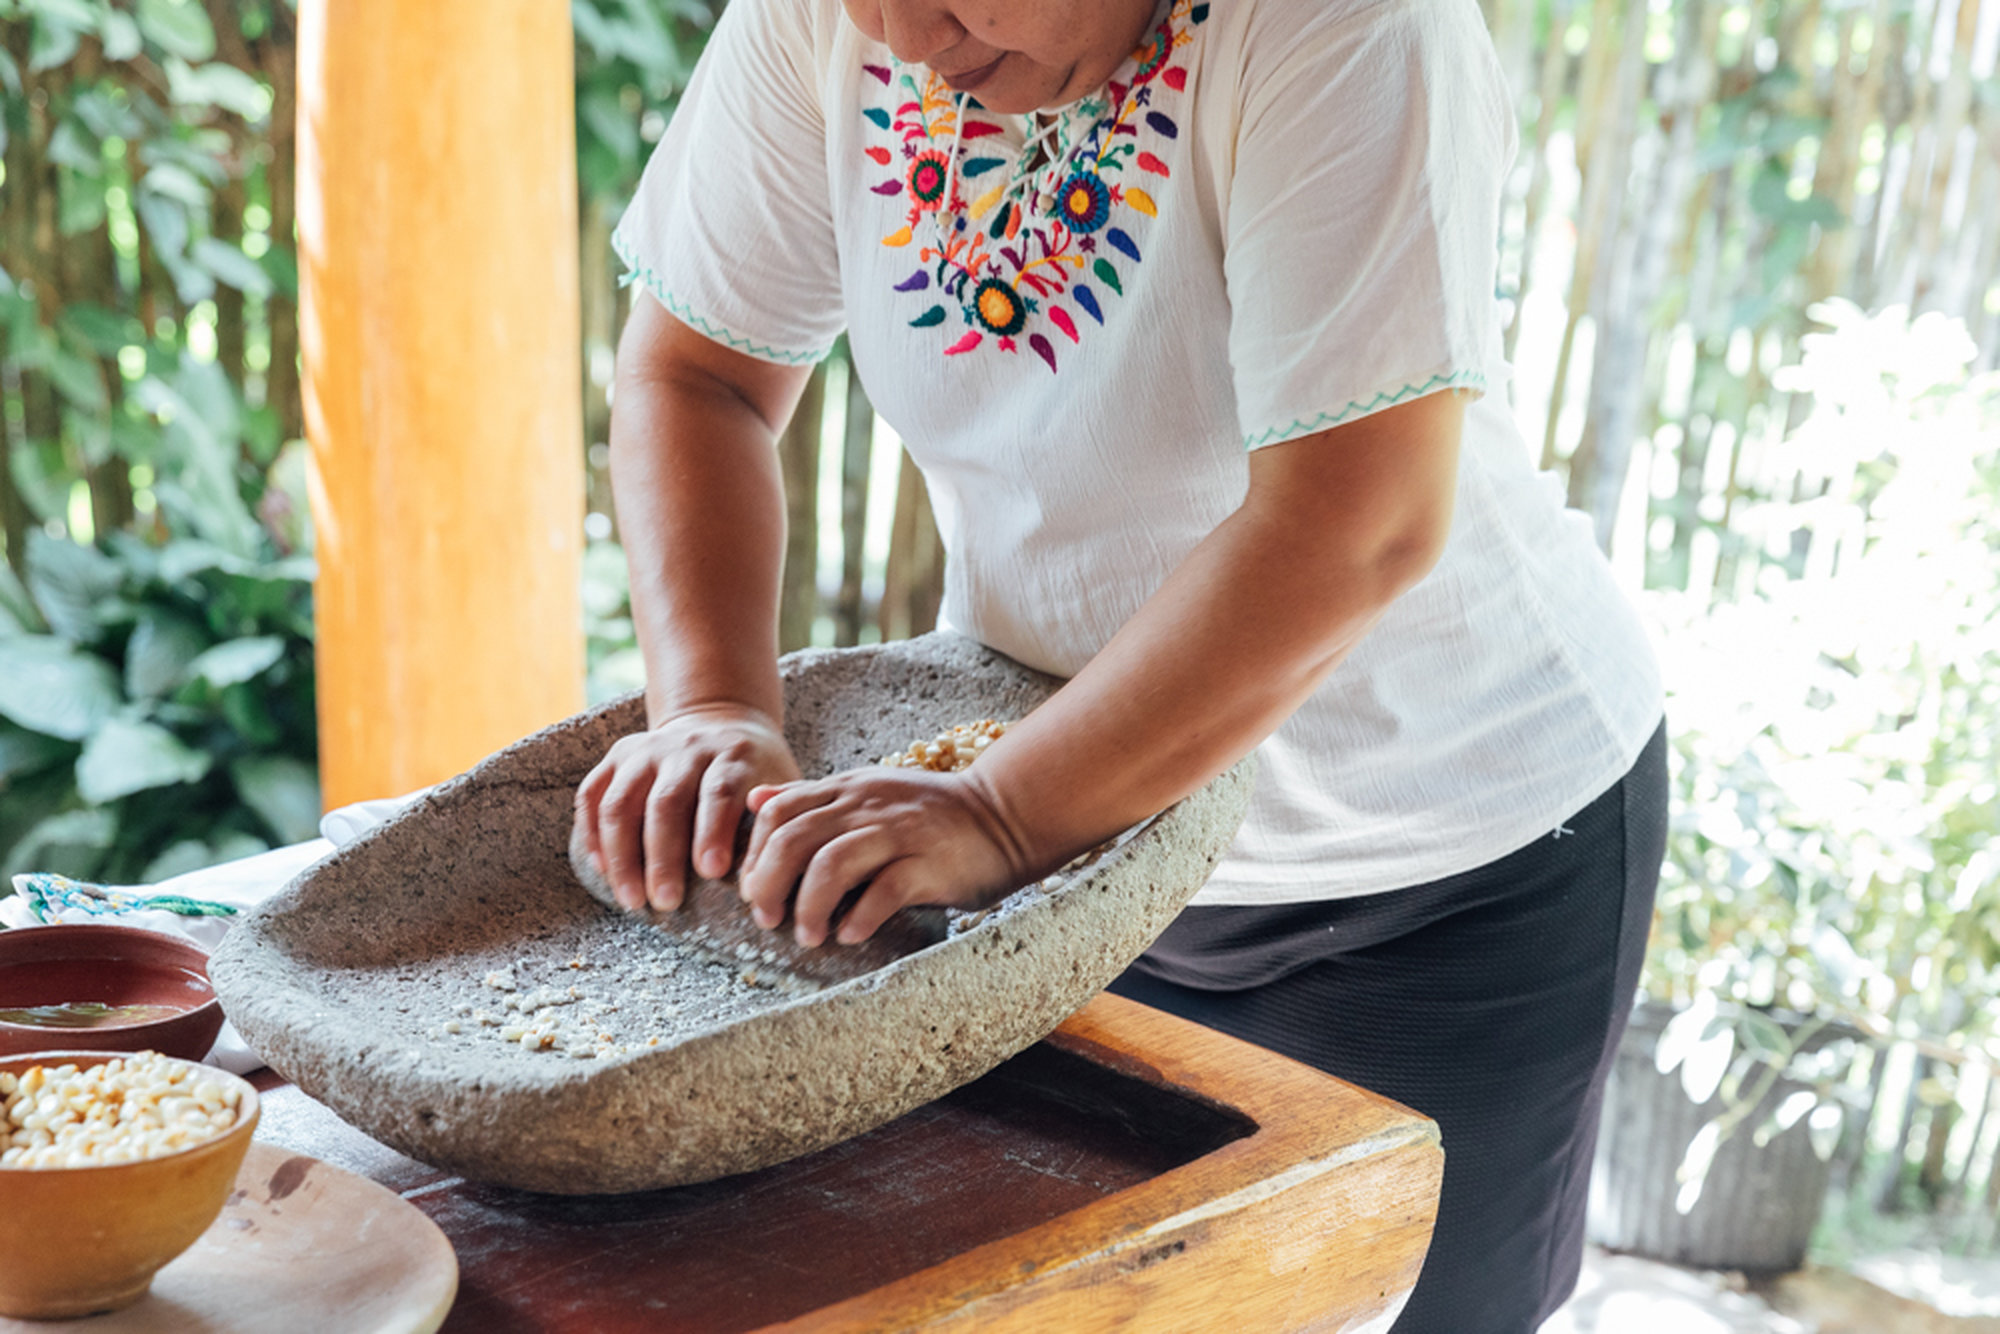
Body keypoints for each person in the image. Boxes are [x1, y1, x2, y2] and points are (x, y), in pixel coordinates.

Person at [570, 0, 1667, 1327]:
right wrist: (715, 706)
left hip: (1445, 870)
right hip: (1077, 874)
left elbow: (1356, 519)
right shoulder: (831, 17)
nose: (904, 35)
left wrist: (1001, 807)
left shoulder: (1350, 25)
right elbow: (700, 376)